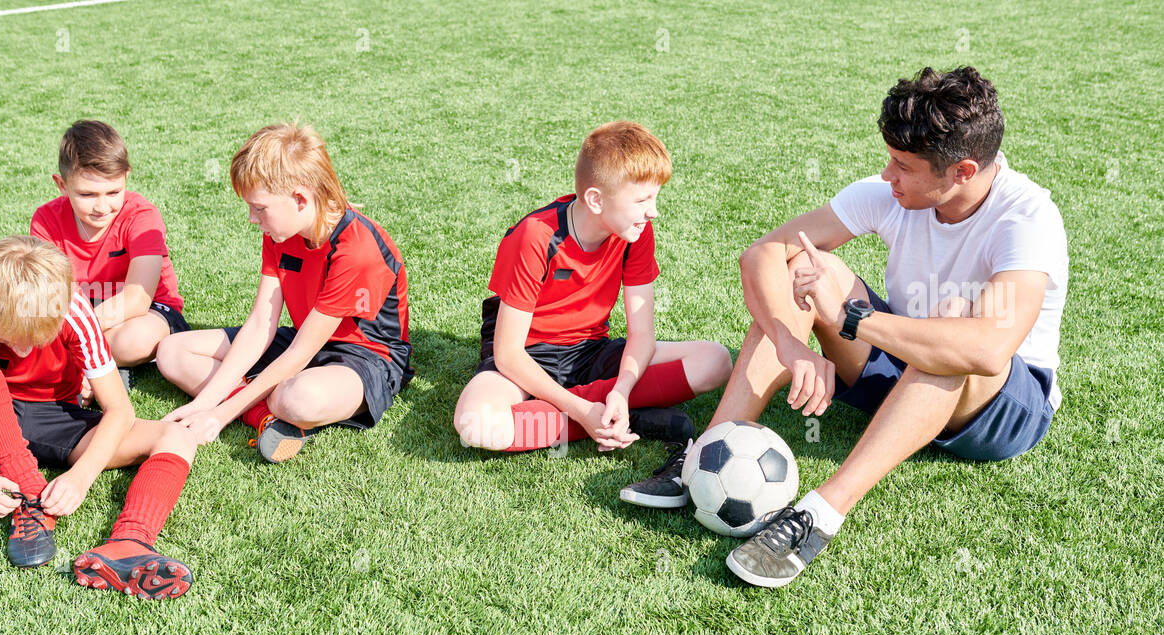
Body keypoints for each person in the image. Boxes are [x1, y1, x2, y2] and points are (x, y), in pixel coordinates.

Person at [687, 67, 1066, 587]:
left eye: (903, 165)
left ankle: (821, 515)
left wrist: (852, 320)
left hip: (1001, 408)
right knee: (804, 270)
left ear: (962, 171)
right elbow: (762, 255)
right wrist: (791, 345)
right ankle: (705, 453)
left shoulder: (1025, 218)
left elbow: (989, 350)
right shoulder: (892, 191)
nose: (888, 175)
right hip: (904, 366)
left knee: (952, 325)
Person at [0, 236, 200, 598]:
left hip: (48, 415)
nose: (24, 349)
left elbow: (119, 410)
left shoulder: (69, 305)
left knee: (177, 437)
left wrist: (81, 476)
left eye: (37, 338)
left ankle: (130, 542)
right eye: (10, 336)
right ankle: (28, 490)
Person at [453, 120, 730, 495]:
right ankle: (612, 420)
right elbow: (508, 354)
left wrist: (621, 390)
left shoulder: (636, 234)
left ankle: (614, 410)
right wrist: (584, 411)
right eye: (642, 200)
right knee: (475, 425)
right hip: (527, 361)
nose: (654, 212)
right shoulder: (535, 236)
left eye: (655, 198)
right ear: (596, 200)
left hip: (590, 352)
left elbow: (642, 336)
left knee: (715, 361)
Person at [156, 123, 412, 463]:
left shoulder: (357, 250)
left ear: (301, 199)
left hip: (365, 358)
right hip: (302, 340)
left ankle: (268, 406)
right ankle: (263, 415)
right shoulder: (279, 233)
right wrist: (204, 404)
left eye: (260, 208)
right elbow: (262, 321)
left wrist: (220, 413)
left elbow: (300, 354)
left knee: (295, 398)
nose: (252, 218)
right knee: (172, 352)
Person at [31, 119, 188, 392]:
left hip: (148, 312)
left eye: (113, 192)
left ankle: (84, 366)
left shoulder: (142, 215)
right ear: (61, 185)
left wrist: (73, 339)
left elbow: (137, 299)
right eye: (87, 194)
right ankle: (104, 366)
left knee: (135, 339)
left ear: (126, 177)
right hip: (82, 314)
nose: (102, 206)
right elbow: (51, 293)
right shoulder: (45, 220)